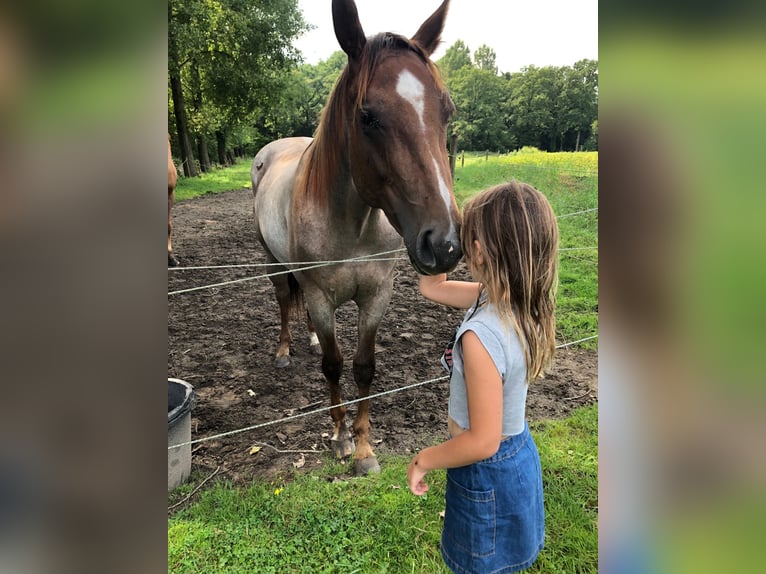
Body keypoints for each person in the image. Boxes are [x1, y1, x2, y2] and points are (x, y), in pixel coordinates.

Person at [407, 180, 559, 573]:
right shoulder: (515, 299)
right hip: (518, 455)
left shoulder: (481, 336)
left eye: (466, 238)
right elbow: (431, 286)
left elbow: (482, 442)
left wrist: (424, 459)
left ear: (476, 249)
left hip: (485, 472)